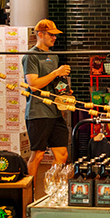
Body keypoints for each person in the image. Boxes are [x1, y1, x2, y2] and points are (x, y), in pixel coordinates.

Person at [22, 19, 71, 180]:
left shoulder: (54, 56)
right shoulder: (31, 56)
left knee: (62, 154)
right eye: (51, 35)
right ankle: (29, 192)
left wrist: (64, 91)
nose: (54, 38)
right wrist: (56, 73)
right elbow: (34, 85)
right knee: (38, 154)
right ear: (40, 34)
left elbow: (53, 83)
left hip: (55, 112)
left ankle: (53, 187)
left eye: (55, 35)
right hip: (38, 112)